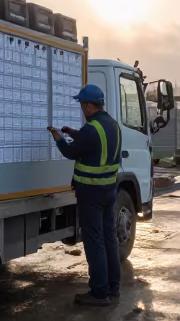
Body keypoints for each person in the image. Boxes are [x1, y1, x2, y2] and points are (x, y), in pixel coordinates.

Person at [47, 83, 123, 306]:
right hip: (109, 191)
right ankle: (113, 287)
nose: (81, 108)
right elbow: (94, 143)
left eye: (82, 104)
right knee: (110, 238)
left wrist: (58, 137)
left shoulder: (91, 129)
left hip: (91, 193)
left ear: (90, 105)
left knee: (94, 241)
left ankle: (99, 293)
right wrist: (73, 132)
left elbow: (71, 152)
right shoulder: (112, 125)